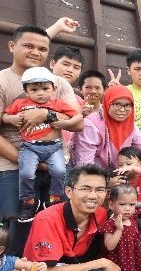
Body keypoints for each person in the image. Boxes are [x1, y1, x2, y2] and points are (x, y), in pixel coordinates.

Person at [0, 25, 82, 255]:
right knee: (17, 231)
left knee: (56, 225)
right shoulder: (2, 81)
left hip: (56, 161)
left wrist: (47, 114)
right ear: (12, 46)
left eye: (42, 48)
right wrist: (30, 161)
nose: (36, 52)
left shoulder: (58, 83)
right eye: (29, 46)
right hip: (13, 166)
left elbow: (77, 122)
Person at [3, 67, 82, 221]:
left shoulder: (57, 104)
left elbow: (78, 118)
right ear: (26, 91)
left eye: (45, 89)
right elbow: (5, 115)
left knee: (59, 171)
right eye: (34, 89)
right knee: (26, 173)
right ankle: (29, 201)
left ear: (54, 89)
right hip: (30, 147)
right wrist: (11, 119)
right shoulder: (20, 104)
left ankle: (53, 198)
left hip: (53, 147)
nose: (40, 93)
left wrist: (65, 123)